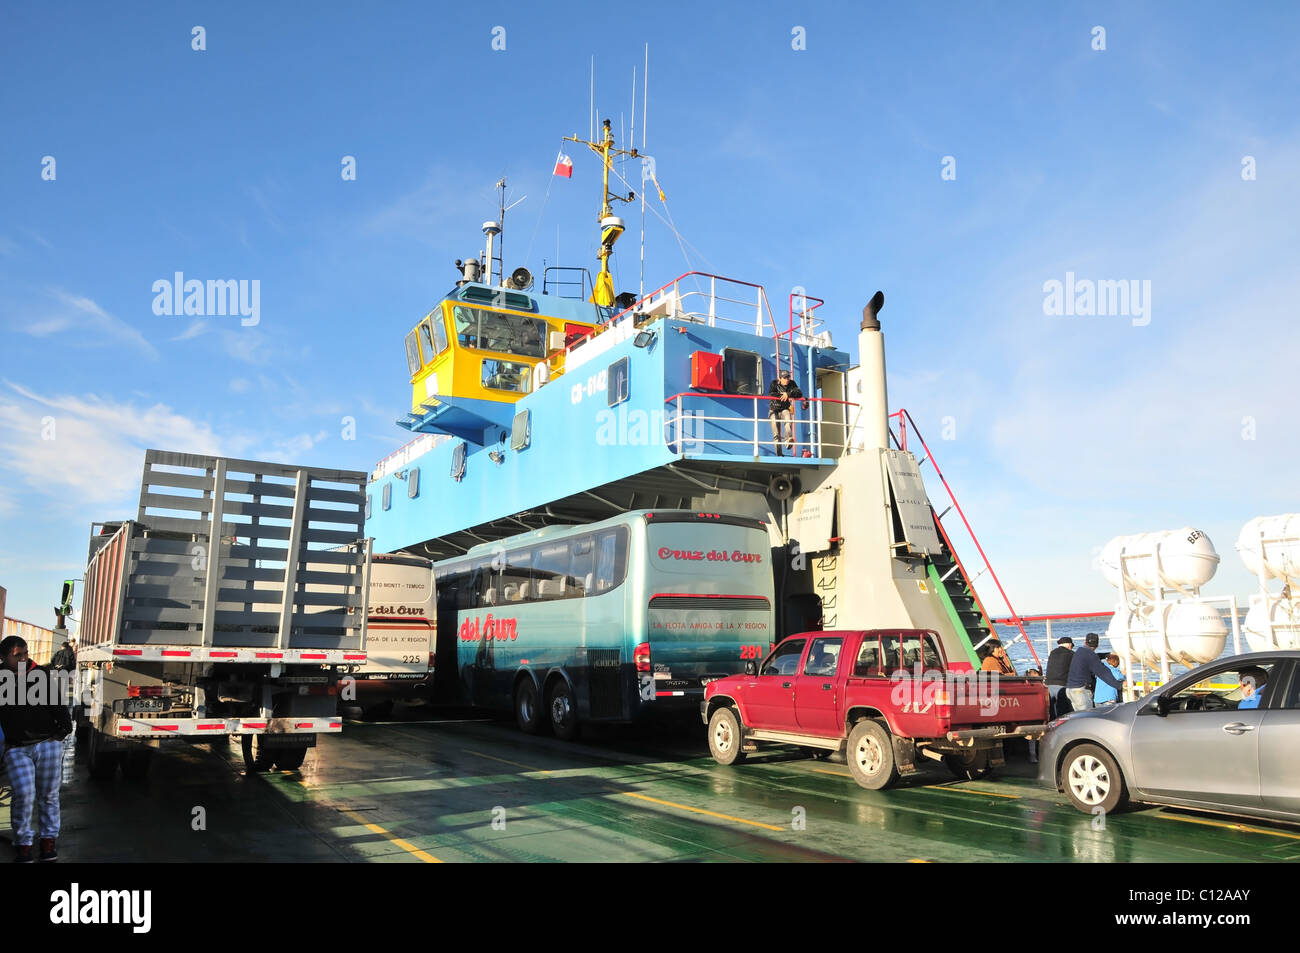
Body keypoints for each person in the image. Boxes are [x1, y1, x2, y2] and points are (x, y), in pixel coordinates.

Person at [0, 635, 72, 862]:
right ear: (3, 658)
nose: (23, 658)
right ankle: (23, 843)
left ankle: (48, 842)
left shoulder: (40, 674)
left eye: (26, 653)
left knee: (49, 795)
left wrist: (61, 734)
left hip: (47, 744)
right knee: (23, 794)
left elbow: (58, 706)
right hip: (17, 748)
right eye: (17, 655)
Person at [1065, 632, 1123, 711]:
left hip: (1070, 689)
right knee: (1087, 718)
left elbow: (1094, 657)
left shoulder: (1080, 651)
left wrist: (1106, 654)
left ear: (1085, 642)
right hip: (1080, 691)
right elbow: (1104, 673)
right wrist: (1119, 685)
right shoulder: (1091, 656)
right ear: (1097, 645)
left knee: (1079, 718)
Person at [767, 368, 804, 456]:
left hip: (784, 408)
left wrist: (788, 394)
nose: (787, 379)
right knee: (776, 434)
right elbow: (771, 394)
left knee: (788, 421)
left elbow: (799, 393)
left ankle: (788, 439)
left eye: (788, 377)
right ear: (780, 378)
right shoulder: (774, 383)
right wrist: (783, 394)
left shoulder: (792, 383)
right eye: (785, 378)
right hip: (774, 409)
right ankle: (779, 454)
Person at [1043, 636, 1074, 719]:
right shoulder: (1070, 654)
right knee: (1062, 710)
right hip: (1061, 684)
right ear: (1069, 645)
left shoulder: (1052, 653)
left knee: (1052, 710)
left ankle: (1052, 727)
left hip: (1048, 683)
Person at [1025, 667, 1042, 763]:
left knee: (1033, 737)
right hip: (1033, 716)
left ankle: (1033, 755)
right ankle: (1033, 755)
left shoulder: (1032, 688)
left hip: (1035, 715)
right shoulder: (1035, 689)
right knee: (1033, 736)